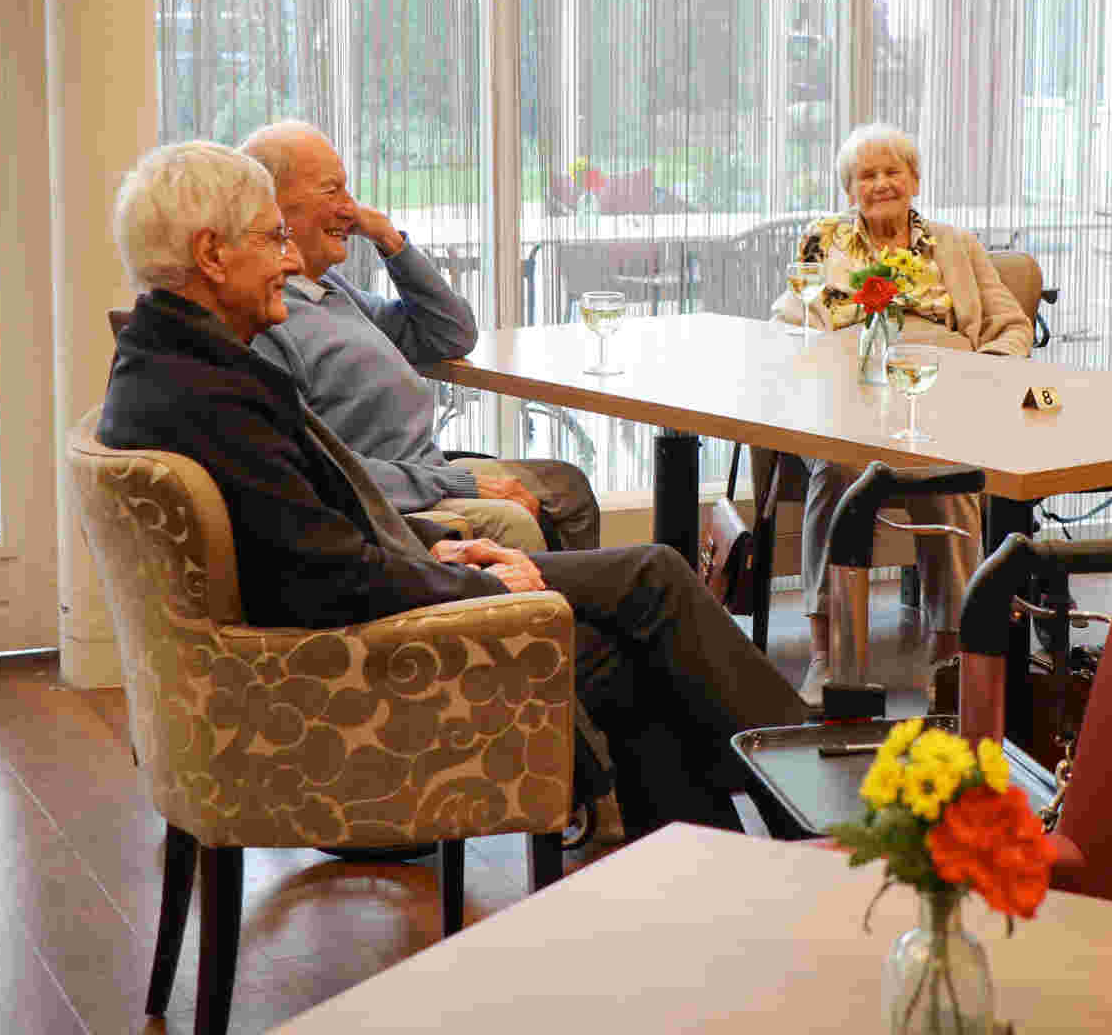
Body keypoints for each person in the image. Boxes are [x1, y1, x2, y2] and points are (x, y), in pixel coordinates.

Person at [97, 141, 810, 837]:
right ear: (211, 255)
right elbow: (327, 576)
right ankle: (818, 806)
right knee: (638, 621)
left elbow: (314, 533)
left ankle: (740, 849)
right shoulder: (214, 394)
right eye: (273, 238)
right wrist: (489, 591)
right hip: (347, 665)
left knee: (649, 592)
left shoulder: (171, 367)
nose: (288, 257)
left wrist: (444, 545)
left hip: (359, 608)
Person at [239, 121, 597, 553]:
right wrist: (456, 483)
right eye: (332, 191)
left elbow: (450, 334)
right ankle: (547, 610)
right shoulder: (266, 316)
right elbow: (317, 467)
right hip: (390, 499)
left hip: (426, 471)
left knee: (569, 489)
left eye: (348, 192)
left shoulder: (331, 289)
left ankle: (578, 610)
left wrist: (389, 240)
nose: (350, 208)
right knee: (515, 519)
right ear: (272, 206)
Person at [771, 123, 1032, 705]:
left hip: (940, 402)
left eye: (893, 171)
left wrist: (982, 376)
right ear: (849, 190)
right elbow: (786, 325)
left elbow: (1012, 327)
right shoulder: (824, 241)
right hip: (845, 407)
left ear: (915, 180)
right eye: (867, 175)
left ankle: (952, 655)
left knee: (951, 483)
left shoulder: (956, 246)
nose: (882, 183)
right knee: (837, 474)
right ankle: (830, 653)